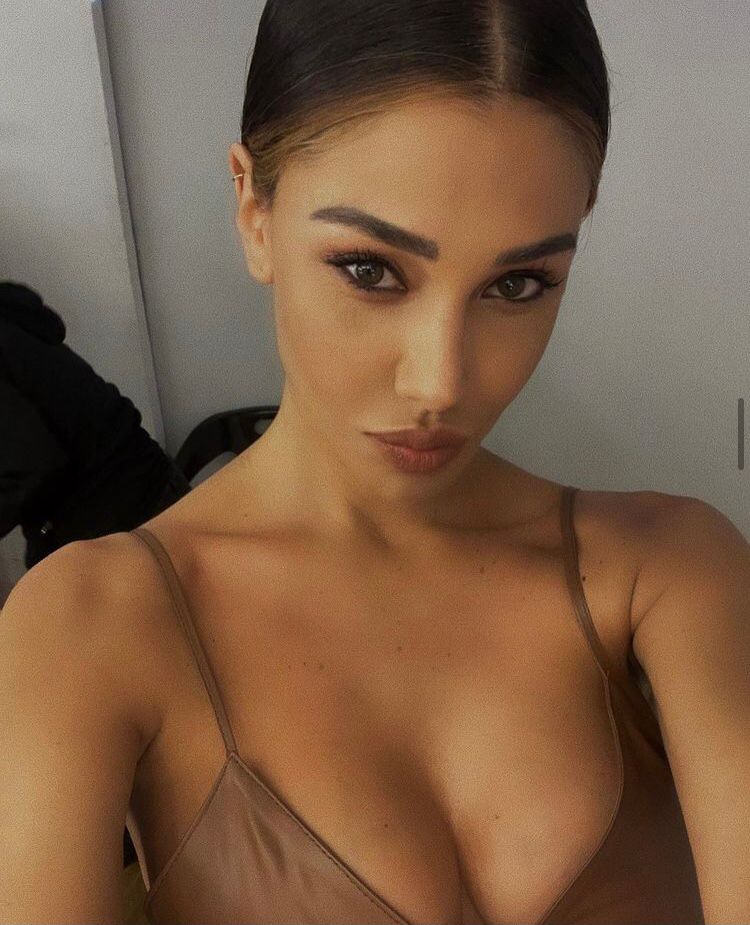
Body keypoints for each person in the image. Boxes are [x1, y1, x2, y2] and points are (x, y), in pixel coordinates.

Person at [2, 1, 749, 922]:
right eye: (370, 269)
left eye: (518, 284)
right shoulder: (89, 624)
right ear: (254, 211)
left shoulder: (673, 570)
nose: (440, 381)